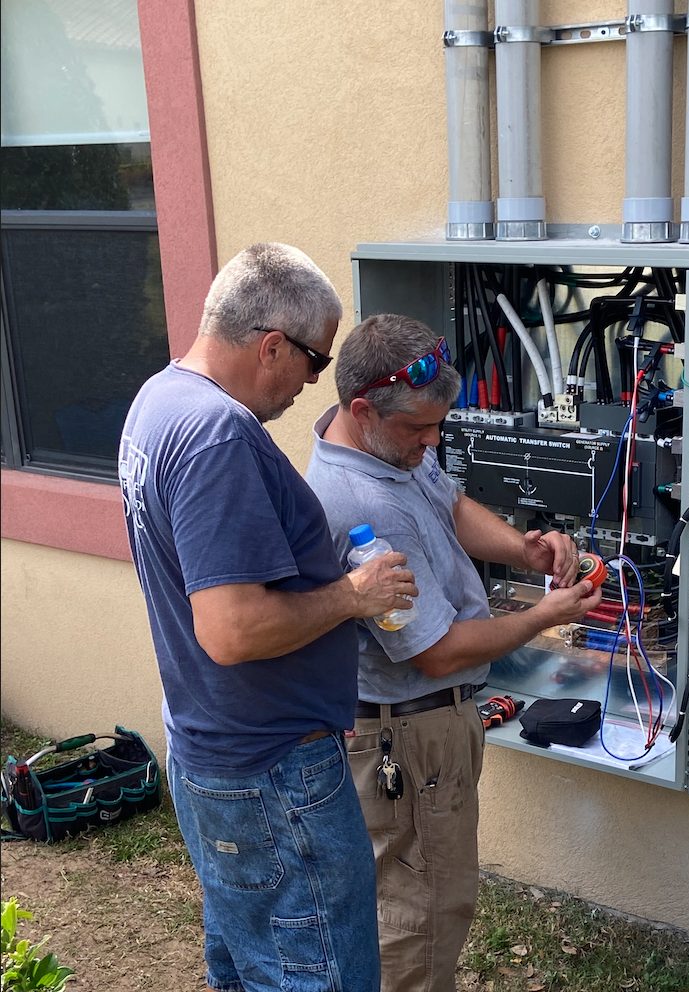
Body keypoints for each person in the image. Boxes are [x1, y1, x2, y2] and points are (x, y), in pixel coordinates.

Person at [117, 244, 418, 992]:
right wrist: (356, 595)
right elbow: (232, 629)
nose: (310, 385)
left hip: (215, 755)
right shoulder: (219, 436)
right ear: (271, 345)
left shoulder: (158, 400)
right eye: (314, 364)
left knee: (254, 966)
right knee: (321, 975)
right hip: (271, 772)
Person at [304, 312, 603, 992]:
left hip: (427, 729)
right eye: (420, 429)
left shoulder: (385, 442)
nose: (432, 442)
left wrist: (527, 548)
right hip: (408, 736)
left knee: (429, 901)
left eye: (439, 426)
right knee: (421, 915)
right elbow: (434, 654)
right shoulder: (361, 506)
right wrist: (542, 615)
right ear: (362, 408)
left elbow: (451, 503)